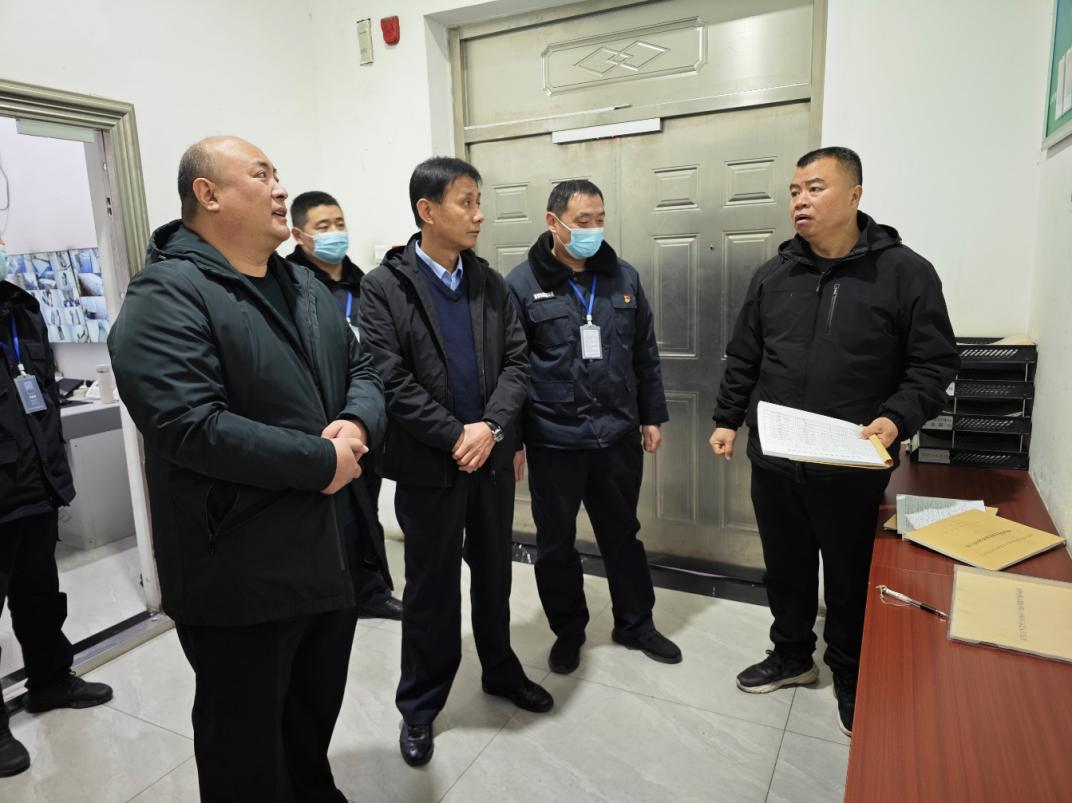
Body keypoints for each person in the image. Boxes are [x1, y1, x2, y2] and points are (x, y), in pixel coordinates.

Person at [108, 137, 385, 802]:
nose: (281, 188)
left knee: (309, 721)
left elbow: (365, 369)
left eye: (278, 174)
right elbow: (188, 423)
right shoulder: (167, 295)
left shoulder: (304, 286)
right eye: (261, 175)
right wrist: (320, 460)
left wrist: (357, 422)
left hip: (329, 553)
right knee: (244, 746)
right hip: (239, 571)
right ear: (208, 194)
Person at [708, 146, 959, 737]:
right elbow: (745, 355)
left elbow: (933, 365)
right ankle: (792, 655)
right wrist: (726, 418)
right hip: (776, 459)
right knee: (786, 569)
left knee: (849, 579)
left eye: (815, 188)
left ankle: (850, 670)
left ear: (855, 195)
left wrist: (896, 419)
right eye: (794, 191)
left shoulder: (904, 273)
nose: (800, 200)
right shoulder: (774, 275)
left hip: (852, 465)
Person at [359, 156, 552, 768]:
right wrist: (454, 435)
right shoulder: (385, 286)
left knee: (495, 574)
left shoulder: (488, 282)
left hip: (489, 458)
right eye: (466, 202)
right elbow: (389, 377)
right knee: (431, 587)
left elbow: (518, 362)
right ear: (427, 210)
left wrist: (491, 429)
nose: (478, 215)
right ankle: (420, 703)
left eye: (478, 201)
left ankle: (500, 669)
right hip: (429, 464)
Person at [506, 180, 680, 675]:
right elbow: (510, 368)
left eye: (599, 219)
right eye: (583, 221)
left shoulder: (624, 276)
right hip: (554, 438)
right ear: (553, 222)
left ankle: (635, 623)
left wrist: (651, 415)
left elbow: (644, 351)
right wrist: (513, 441)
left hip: (616, 434)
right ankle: (569, 630)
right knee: (556, 541)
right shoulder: (520, 284)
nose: (593, 230)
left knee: (622, 532)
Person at [0, 237, 113, 778]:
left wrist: (53, 472)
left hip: (35, 485)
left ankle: (49, 681)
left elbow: (41, 394)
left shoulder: (21, 308)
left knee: (40, 596)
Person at [287, 190, 402, 621]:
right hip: (315, 421)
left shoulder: (366, 284)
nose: (335, 233)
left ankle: (370, 591)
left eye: (339, 223)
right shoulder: (290, 284)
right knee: (321, 514)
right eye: (323, 227)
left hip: (365, 414)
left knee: (365, 505)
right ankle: (328, 595)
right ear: (299, 235)